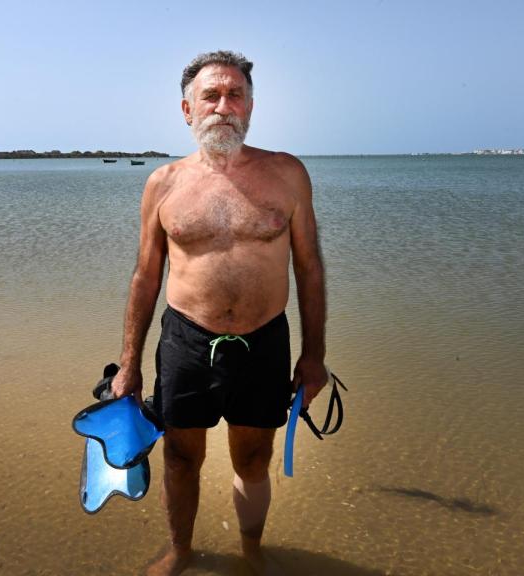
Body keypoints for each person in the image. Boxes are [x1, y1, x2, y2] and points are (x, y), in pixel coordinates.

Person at [109, 50, 330, 575]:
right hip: (185, 340)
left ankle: (252, 554)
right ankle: (180, 552)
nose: (223, 106)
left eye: (235, 95)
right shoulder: (163, 183)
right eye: (211, 95)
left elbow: (310, 269)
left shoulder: (287, 174)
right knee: (181, 459)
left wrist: (315, 355)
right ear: (187, 110)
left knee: (253, 460)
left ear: (251, 106)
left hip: (264, 341)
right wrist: (129, 362)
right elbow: (146, 277)